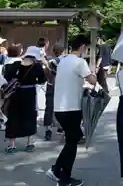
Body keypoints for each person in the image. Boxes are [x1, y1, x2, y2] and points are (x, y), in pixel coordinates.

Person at [46, 34, 97, 186]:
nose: (86, 51)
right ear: (82, 47)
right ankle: (63, 178)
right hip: (72, 108)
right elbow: (92, 81)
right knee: (72, 142)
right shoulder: (80, 62)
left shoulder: (63, 60)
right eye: (86, 48)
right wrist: (93, 73)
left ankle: (57, 171)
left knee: (71, 140)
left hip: (60, 108)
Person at [3, 45, 47, 153]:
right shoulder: (37, 66)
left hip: (16, 93)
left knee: (13, 116)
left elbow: (7, 78)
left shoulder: (15, 65)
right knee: (29, 116)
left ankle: (11, 145)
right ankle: (29, 143)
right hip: (30, 94)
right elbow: (42, 80)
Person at [44, 43, 65, 141]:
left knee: (49, 108)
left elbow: (47, 74)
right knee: (61, 107)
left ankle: (48, 130)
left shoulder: (50, 61)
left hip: (51, 85)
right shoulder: (64, 61)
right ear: (62, 51)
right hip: (61, 87)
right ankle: (60, 127)